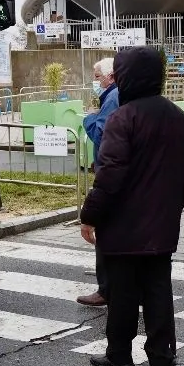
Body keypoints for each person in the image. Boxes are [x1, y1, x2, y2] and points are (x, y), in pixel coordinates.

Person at [79, 46, 184, 366]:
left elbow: (110, 176)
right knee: (159, 290)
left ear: (126, 75)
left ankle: (119, 354)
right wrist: (172, 205)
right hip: (161, 223)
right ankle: (161, 357)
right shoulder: (175, 114)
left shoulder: (122, 117)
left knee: (123, 293)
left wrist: (90, 216)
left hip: (124, 226)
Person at [77, 57, 120, 308]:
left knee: (104, 231)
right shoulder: (117, 96)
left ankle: (106, 289)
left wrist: (89, 119)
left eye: (97, 76)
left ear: (111, 76)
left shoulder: (112, 98)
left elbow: (101, 134)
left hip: (108, 172)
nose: (95, 81)